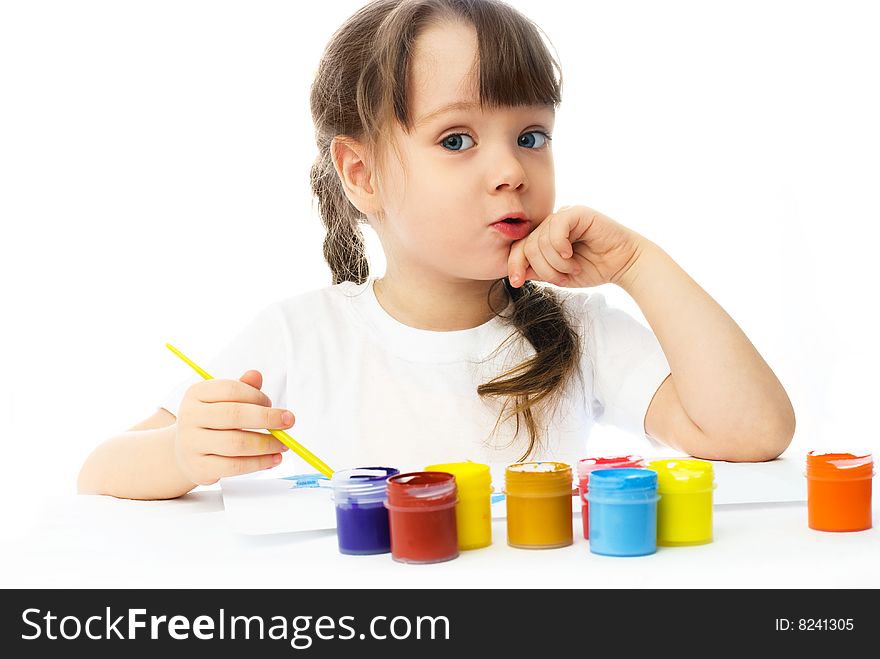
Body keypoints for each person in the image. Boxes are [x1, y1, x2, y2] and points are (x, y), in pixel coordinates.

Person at [78, 0, 795, 500]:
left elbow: (754, 431)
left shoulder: (579, 332)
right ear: (361, 174)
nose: (512, 169)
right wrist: (180, 453)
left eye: (532, 136)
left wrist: (639, 264)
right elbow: (101, 470)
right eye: (457, 140)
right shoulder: (300, 336)